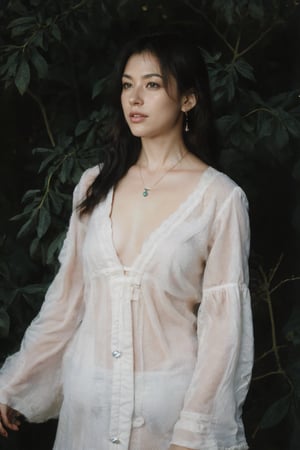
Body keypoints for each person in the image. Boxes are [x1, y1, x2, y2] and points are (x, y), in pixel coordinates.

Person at [0, 32, 253, 450]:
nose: (134, 98)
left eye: (152, 85)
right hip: (87, 414)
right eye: (127, 85)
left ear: (188, 99)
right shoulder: (93, 187)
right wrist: (13, 382)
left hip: (165, 420)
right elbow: (66, 303)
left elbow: (224, 332)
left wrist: (193, 435)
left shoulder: (221, 199)